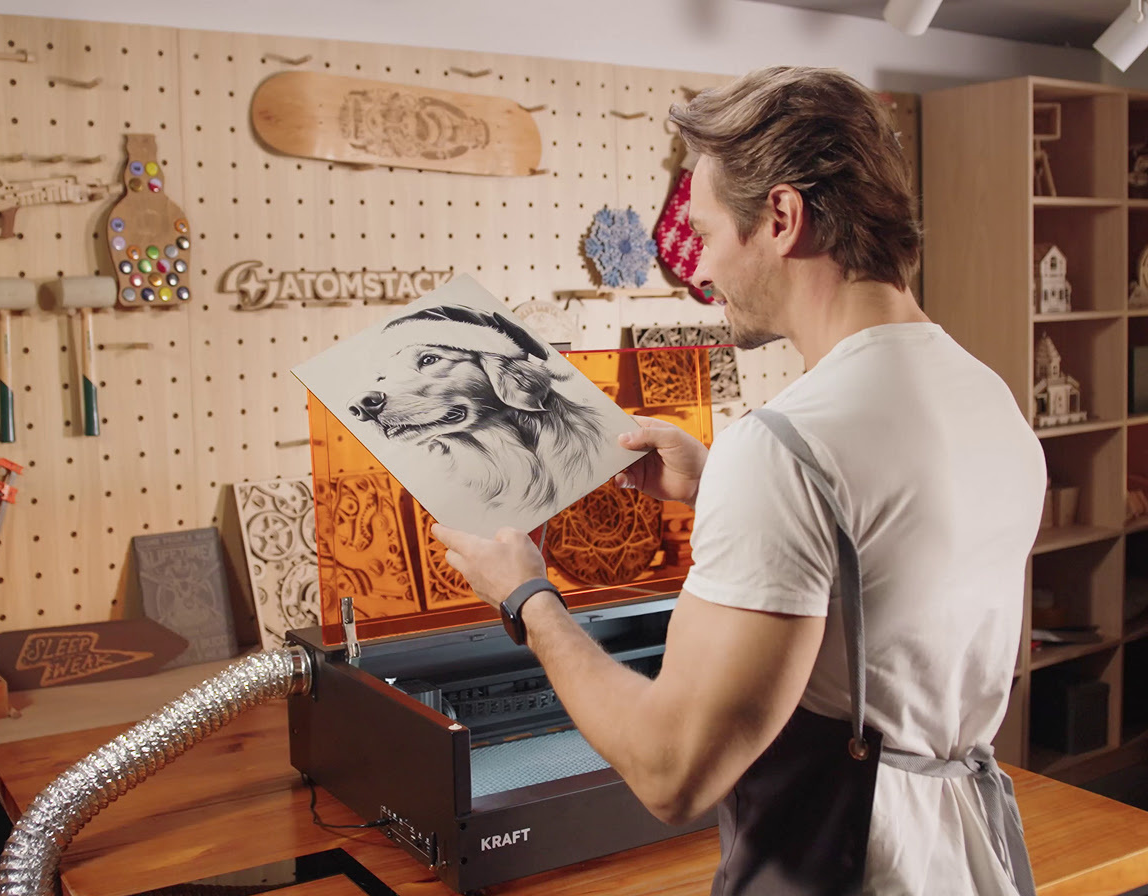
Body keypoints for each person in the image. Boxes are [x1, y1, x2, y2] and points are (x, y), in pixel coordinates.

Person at [432, 66, 1045, 895]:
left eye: (708, 231)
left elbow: (670, 771)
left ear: (783, 218)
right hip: (966, 861)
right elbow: (890, 567)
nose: (703, 269)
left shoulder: (792, 446)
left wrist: (526, 599)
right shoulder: (989, 399)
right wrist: (717, 481)